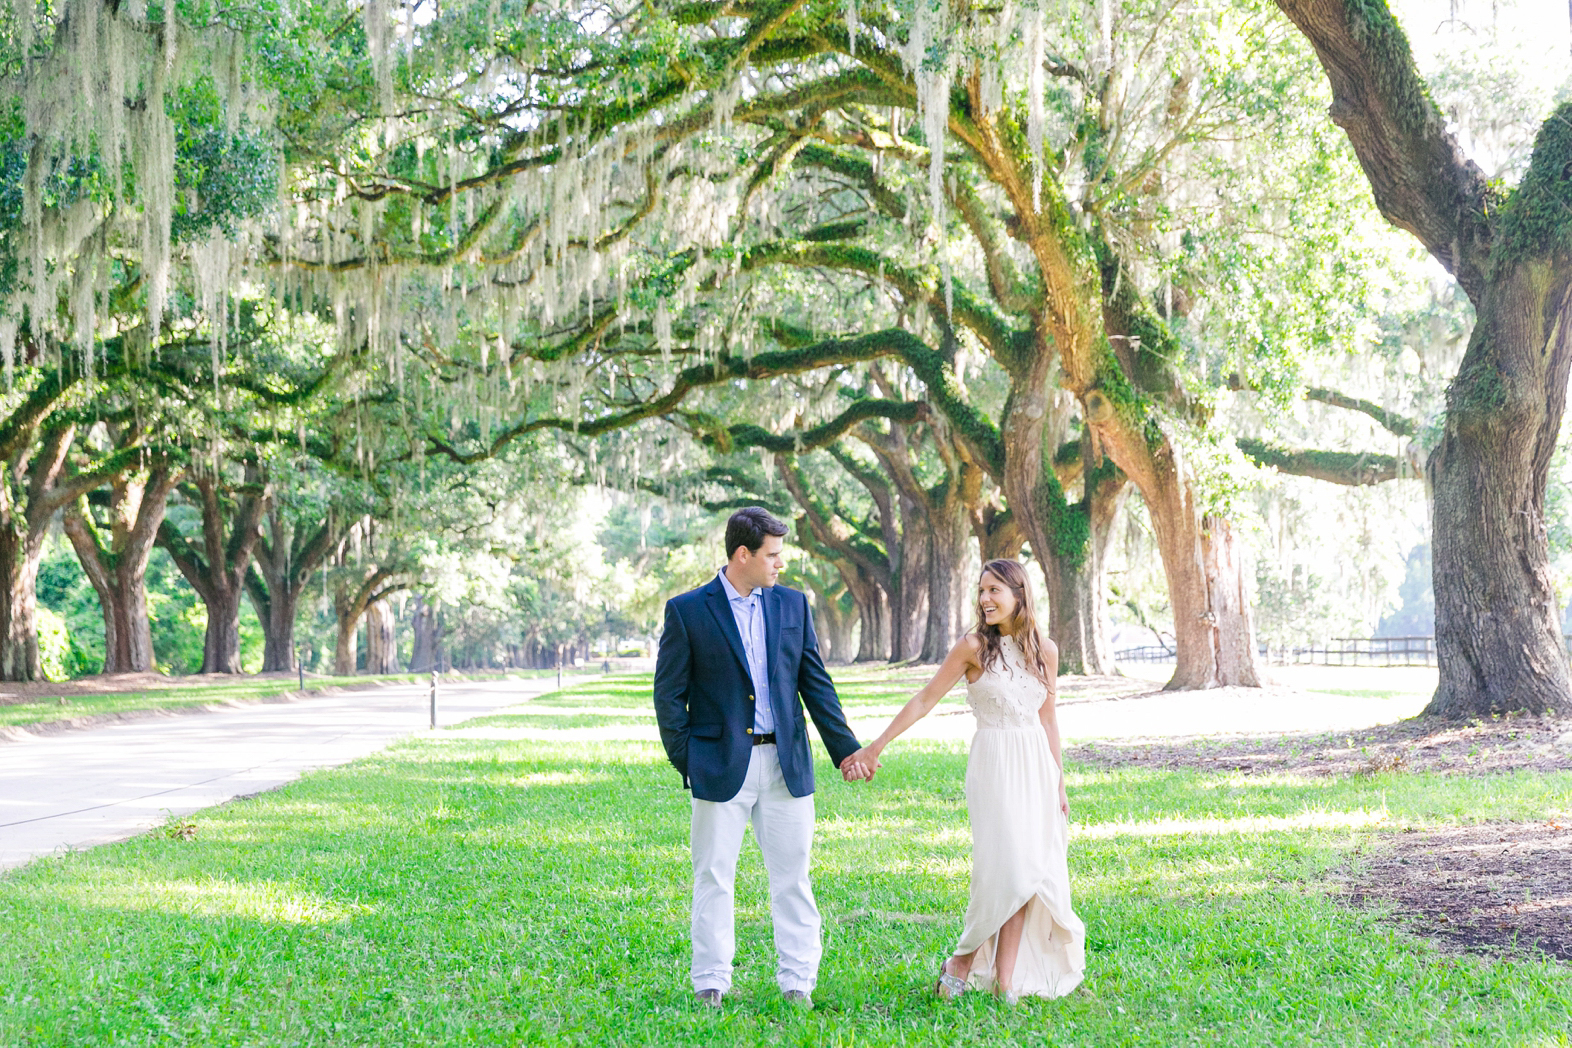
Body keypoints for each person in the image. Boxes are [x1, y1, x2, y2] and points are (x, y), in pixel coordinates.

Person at [842, 558, 1085, 1002]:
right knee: (1003, 867)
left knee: (1028, 872)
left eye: (995, 590)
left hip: (1036, 765)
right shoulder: (973, 646)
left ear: (1019, 594)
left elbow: (1048, 719)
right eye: (982, 590)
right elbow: (924, 699)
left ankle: (1005, 982)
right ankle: (963, 958)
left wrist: (1060, 783)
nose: (985, 599)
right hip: (994, 761)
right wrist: (876, 747)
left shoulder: (1044, 650)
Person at [652, 507, 867, 1010]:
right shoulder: (687, 611)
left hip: (786, 766)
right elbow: (668, 696)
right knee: (713, 877)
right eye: (772, 556)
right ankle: (710, 982)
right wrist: (689, 759)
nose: (780, 566)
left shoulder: (792, 606)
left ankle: (798, 983)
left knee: (793, 878)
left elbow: (815, 684)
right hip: (718, 764)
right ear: (742, 554)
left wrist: (846, 750)